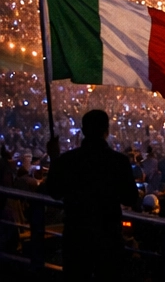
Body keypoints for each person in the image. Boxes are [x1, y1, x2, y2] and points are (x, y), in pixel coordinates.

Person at [43, 109, 138, 281]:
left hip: (76, 236)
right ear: (106, 131)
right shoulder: (119, 161)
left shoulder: (68, 160)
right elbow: (130, 198)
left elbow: (54, 192)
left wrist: (54, 158)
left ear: (83, 130)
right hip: (108, 237)